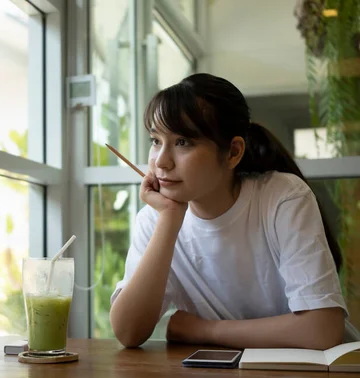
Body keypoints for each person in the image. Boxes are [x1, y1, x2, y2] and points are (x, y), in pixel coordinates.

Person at [109, 73, 359, 350]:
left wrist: (205, 330)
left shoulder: (282, 198)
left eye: (183, 142)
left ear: (232, 153)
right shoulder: (155, 219)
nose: (161, 162)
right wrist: (168, 219)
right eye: (156, 141)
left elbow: (322, 331)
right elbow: (128, 332)